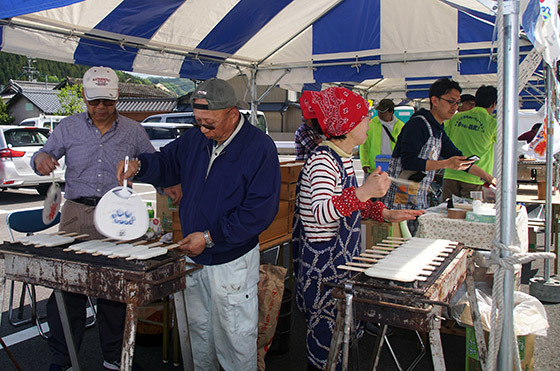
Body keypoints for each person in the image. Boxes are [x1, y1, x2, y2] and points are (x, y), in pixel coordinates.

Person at [117, 78, 281, 371]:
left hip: (232, 261)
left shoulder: (259, 148)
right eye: (198, 122)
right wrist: (138, 166)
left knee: (235, 338)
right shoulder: (195, 139)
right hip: (194, 258)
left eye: (210, 124)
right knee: (198, 335)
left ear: (232, 114)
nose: (204, 130)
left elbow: (259, 212)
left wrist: (210, 236)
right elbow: (166, 163)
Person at [31, 66, 158, 371]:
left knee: (114, 291)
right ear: (85, 98)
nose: (101, 108)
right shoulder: (68, 127)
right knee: (68, 289)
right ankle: (62, 358)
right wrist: (41, 160)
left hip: (118, 214)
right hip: (76, 213)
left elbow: (155, 163)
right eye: (94, 102)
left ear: (117, 99)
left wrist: (146, 169)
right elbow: (41, 156)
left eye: (107, 102)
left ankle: (114, 356)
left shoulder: (133, 130)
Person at [292, 87, 424, 371]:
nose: (369, 123)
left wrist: (385, 212)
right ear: (347, 125)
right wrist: (365, 192)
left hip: (338, 263)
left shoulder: (341, 156)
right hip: (323, 267)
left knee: (339, 344)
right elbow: (322, 212)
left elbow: (350, 202)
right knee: (325, 345)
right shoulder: (323, 161)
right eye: (364, 118)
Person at [382, 78, 495, 234]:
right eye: (450, 102)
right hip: (402, 194)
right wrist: (446, 164)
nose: (454, 107)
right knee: (403, 240)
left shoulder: (438, 129)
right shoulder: (418, 124)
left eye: (457, 103)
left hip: (418, 193)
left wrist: (488, 177)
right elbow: (410, 162)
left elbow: (460, 159)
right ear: (434, 100)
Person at [442, 85, 498, 200]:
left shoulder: (455, 118)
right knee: (471, 214)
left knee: (447, 212)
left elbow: (443, 137)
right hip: (475, 177)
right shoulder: (492, 123)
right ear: (494, 103)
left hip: (451, 174)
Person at [359, 98, 405, 179]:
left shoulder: (401, 126)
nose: (379, 113)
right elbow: (364, 145)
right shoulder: (371, 124)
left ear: (392, 112)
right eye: (379, 111)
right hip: (374, 167)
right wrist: (364, 163)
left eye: (383, 112)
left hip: (394, 166)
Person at [295, 91, 323, 160]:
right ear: (309, 119)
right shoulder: (302, 131)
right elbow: (313, 147)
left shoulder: (313, 129)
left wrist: (322, 142)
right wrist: (323, 143)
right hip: (303, 164)